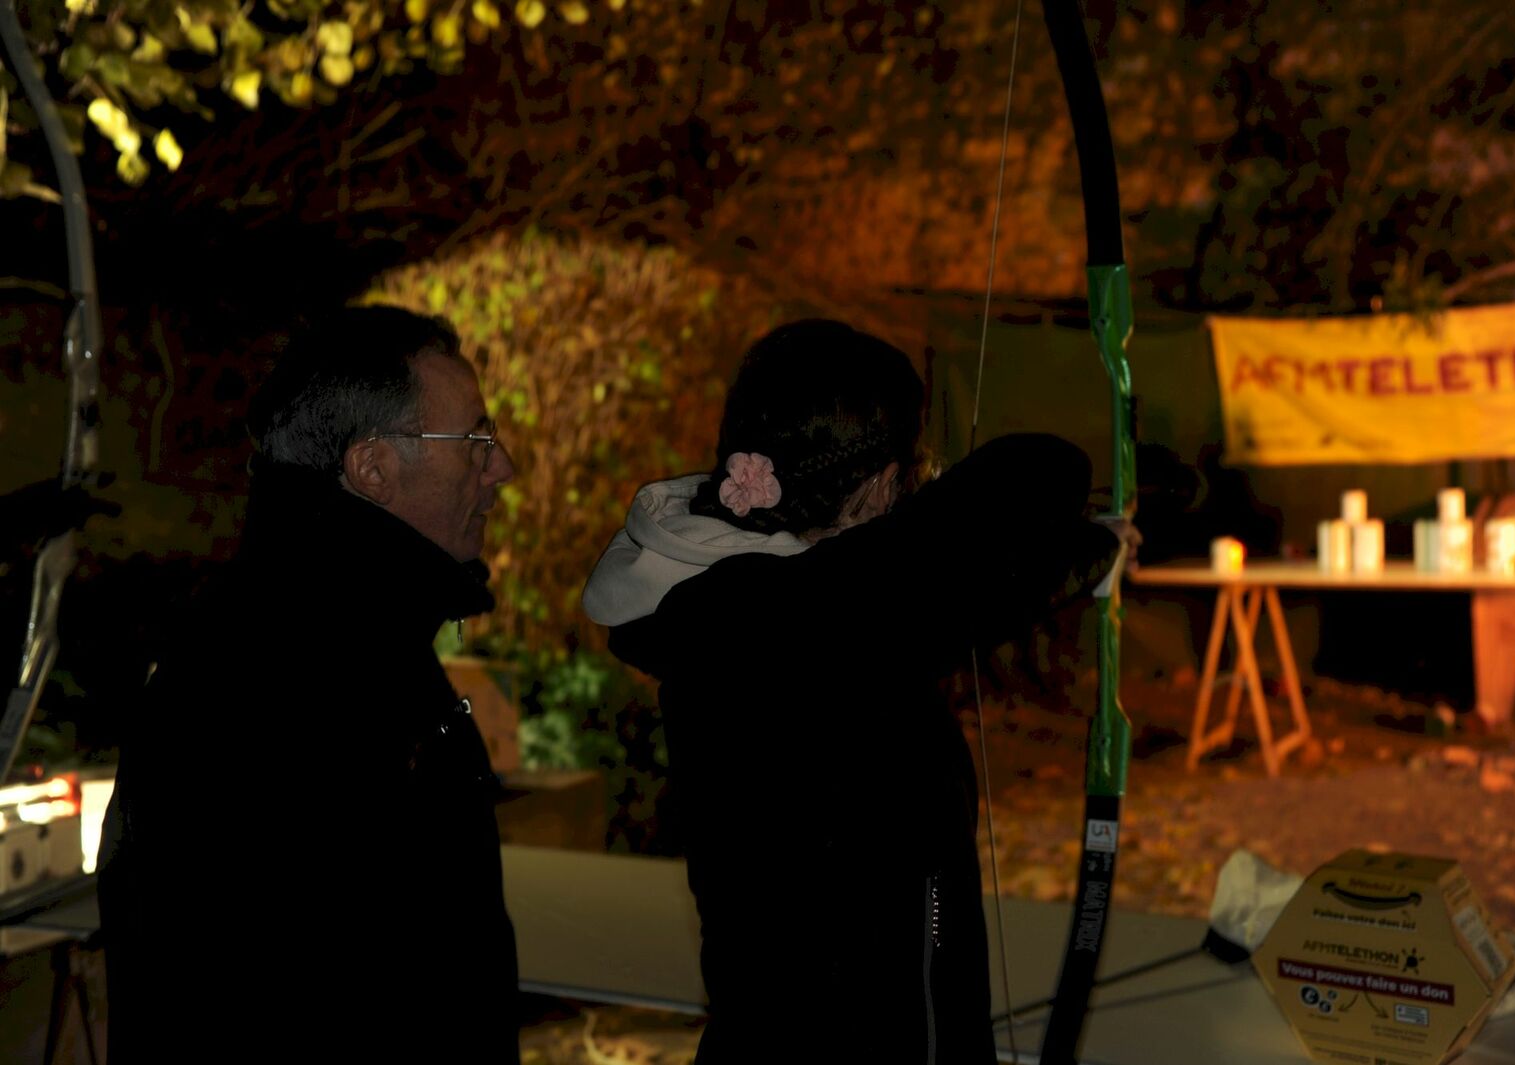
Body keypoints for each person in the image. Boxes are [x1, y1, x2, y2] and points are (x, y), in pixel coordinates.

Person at [582, 319, 1122, 1063]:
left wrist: (1091, 549)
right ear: (877, 484)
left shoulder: (762, 606)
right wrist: (1081, 543)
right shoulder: (795, 620)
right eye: (911, 468)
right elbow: (1038, 469)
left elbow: (944, 585)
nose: (918, 483)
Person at [97, 306, 520, 1062]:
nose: (502, 468)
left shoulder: (338, 636)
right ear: (373, 467)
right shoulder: (297, 676)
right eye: (477, 442)